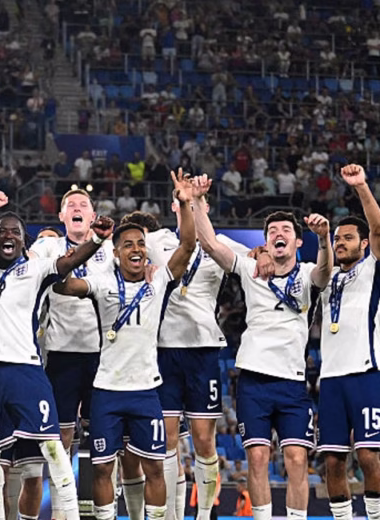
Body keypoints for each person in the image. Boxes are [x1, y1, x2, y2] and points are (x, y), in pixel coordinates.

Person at [0, 185, 114, 520]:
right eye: (4, 231)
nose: (9, 236)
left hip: (28, 370)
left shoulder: (36, 269)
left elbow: (70, 259)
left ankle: (69, 516)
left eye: (16, 231)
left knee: (54, 448)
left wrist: (98, 240)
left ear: (24, 241)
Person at [53, 170, 198, 520]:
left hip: (147, 391)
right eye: (127, 244)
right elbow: (61, 285)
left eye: (139, 244)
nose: (135, 249)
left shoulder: (159, 281)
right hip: (106, 390)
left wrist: (184, 202)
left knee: (154, 468)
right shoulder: (101, 283)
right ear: (116, 253)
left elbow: (189, 245)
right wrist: (92, 244)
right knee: (103, 469)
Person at [192, 179, 333, 520]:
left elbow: (326, 272)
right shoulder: (249, 268)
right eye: (272, 230)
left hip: (292, 383)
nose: (278, 233)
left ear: (298, 241)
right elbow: (210, 244)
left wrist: (325, 238)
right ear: (266, 240)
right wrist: (196, 199)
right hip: (253, 380)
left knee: (297, 459)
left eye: (286, 229)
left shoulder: (307, 273)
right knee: (256, 457)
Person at [120, 199, 254, 520]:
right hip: (163, 350)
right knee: (166, 441)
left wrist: (261, 254)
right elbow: (126, 249)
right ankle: (169, 517)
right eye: (186, 202)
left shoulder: (220, 242)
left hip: (204, 349)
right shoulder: (157, 240)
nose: (192, 207)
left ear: (207, 207)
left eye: (200, 202)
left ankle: (205, 513)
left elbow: (253, 257)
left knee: (204, 441)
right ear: (174, 206)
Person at [30, 189, 114, 458]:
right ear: (62, 215)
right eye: (70, 205)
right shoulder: (48, 247)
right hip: (61, 352)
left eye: (83, 204)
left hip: (103, 354)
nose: (77, 208)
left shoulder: (111, 248)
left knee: (104, 430)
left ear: (92, 216)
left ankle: (107, 498)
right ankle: (62, 498)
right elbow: (26, 261)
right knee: (62, 432)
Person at [318, 164, 380, 520]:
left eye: (348, 238)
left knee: (370, 455)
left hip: (366, 372)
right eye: (337, 238)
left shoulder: (373, 267)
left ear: (365, 243)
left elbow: (379, 226)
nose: (341, 243)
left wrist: (360, 187)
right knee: (332, 460)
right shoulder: (327, 276)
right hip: (331, 379)